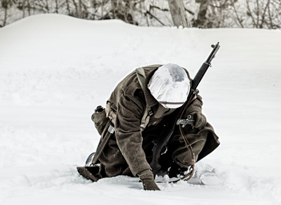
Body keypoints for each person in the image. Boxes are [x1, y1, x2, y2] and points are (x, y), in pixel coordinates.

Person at [76, 63, 219, 190]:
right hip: (123, 128)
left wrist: (193, 114)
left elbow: (193, 98)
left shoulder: (180, 80)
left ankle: (177, 166)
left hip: (161, 124)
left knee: (198, 129)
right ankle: (102, 157)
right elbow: (128, 135)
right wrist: (145, 176)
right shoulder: (131, 93)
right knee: (118, 173)